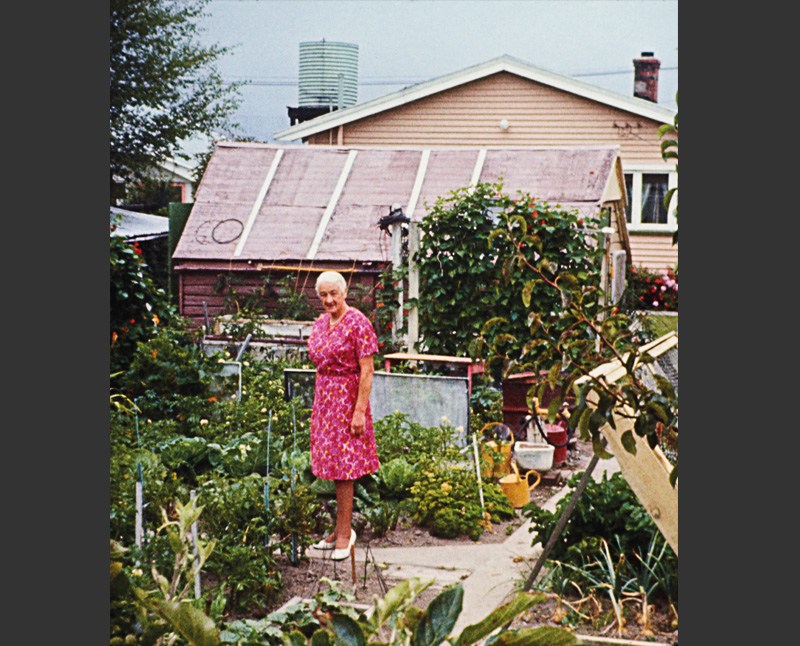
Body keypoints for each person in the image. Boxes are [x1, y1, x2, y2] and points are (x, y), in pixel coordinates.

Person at [306, 270, 381, 560]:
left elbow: (368, 369)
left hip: (348, 400)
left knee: (344, 468)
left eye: (333, 294)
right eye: (323, 295)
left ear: (344, 292)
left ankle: (345, 534)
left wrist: (359, 411)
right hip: (325, 400)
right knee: (332, 467)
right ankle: (338, 529)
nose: (328, 300)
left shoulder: (357, 322)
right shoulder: (321, 323)